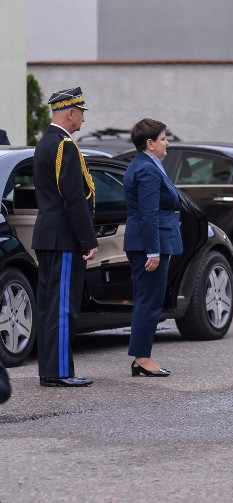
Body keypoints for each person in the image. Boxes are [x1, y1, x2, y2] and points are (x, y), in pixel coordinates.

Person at [33, 87, 98, 387]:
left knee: (49, 307)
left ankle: (51, 370)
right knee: (62, 308)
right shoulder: (64, 146)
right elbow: (73, 199)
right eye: (81, 113)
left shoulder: (45, 143)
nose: (83, 119)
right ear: (70, 112)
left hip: (48, 237)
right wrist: (89, 240)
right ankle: (59, 372)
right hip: (64, 240)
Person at [123, 118, 183, 377]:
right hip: (149, 243)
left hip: (148, 241)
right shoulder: (147, 169)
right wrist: (153, 251)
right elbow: (148, 214)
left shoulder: (147, 164)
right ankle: (142, 357)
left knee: (147, 300)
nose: (166, 142)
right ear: (150, 143)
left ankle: (142, 356)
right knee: (149, 301)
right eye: (162, 138)